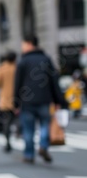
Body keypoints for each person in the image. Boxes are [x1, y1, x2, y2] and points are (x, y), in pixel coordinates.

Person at [14, 35, 68, 164]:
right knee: (45, 125)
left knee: (28, 130)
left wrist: (16, 103)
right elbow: (54, 81)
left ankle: (29, 155)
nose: (22, 47)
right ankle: (43, 146)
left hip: (27, 102)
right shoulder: (46, 59)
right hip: (45, 99)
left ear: (29, 43)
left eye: (23, 44)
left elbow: (17, 83)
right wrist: (58, 101)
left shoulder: (23, 61)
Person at [0, 51, 17, 152]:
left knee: (6, 123)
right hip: (19, 99)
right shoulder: (17, 68)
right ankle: (19, 134)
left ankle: (8, 142)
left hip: (5, 100)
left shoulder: (2, 69)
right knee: (18, 120)